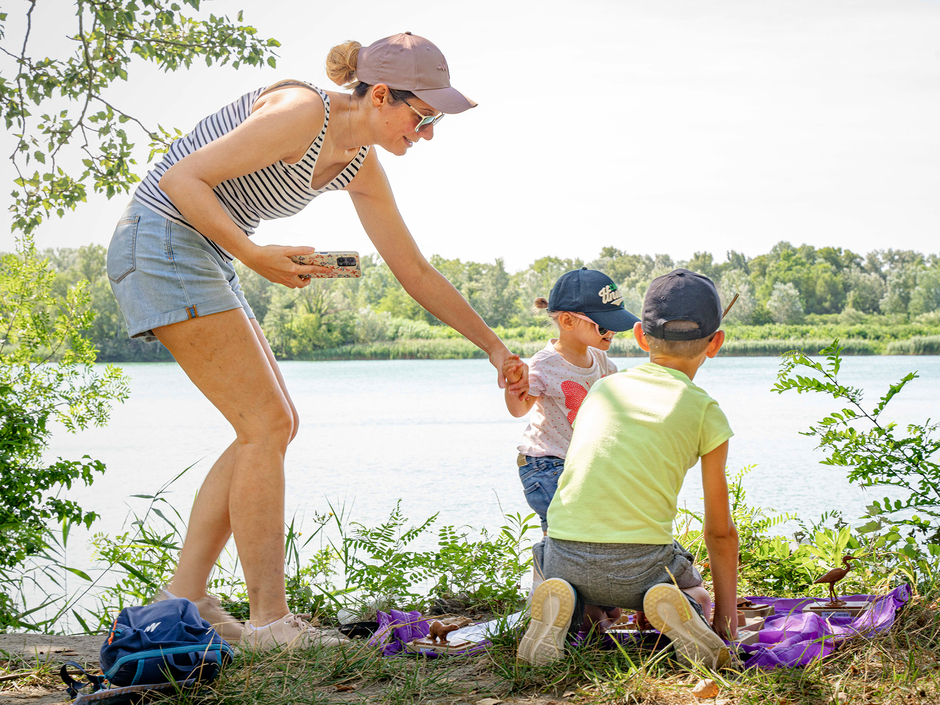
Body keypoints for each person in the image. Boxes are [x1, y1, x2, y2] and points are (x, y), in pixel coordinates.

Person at [106, 32, 523, 651]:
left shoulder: (359, 161)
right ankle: (270, 624)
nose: (429, 132)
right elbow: (180, 179)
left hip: (203, 249)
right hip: (164, 240)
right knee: (266, 424)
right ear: (381, 94)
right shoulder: (302, 112)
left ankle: (185, 596)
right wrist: (253, 255)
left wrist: (493, 347)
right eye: (424, 114)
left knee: (273, 424)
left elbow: (415, 271)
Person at [516, 269, 740, 670]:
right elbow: (718, 531)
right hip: (643, 568)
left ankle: (572, 610)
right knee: (697, 597)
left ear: (639, 336)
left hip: (565, 554)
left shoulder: (602, 388)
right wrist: (726, 618)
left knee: (575, 585)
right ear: (716, 343)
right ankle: (684, 606)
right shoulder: (707, 411)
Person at [502, 268, 638, 631]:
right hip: (546, 466)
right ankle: (547, 613)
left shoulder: (603, 364)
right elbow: (519, 408)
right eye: (603, 325)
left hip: (584, 469)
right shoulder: (543, 365)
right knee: (563, 538)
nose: (612, 332)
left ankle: (592, 603)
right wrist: (513, 385)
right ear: (566, 321)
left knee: (595, 536)